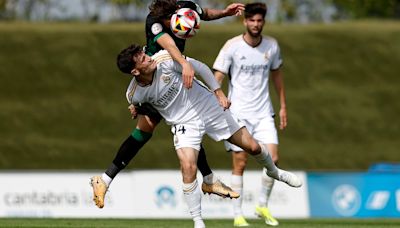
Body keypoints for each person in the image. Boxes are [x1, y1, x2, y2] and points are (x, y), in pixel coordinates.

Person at [116, 44, 302, 228]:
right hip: (184, 124)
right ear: (135, 71)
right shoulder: (133, 94)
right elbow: (139, 104)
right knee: (188, 166)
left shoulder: (165, 59)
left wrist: (219, 93)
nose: (148, 57)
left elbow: (202, 69)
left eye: (144, 54)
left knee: (252, 147)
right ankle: (198, 221)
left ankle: (274, 171)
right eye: (142, 59)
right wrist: (136, 109)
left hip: (209, 106)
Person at [90, 0, 245, 209]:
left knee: (174, 125)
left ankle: (105, 179)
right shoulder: (154, 20)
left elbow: (205, 13)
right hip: (157, 72)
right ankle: (209, 180)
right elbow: (168, 44)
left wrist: (225, 13)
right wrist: (184, 63)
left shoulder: (185, 7)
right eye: (170, 21)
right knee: (175, 124)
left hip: (171, 74)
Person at [213, 2, 289, 226]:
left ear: (263, 22)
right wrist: (214, 100)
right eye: (252, 20)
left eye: (259, 21)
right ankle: (237, 215)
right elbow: (217, 77)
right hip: (238, 115)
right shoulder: (232, 46)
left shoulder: (272, 46)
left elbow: (277, 76)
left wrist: (283, 105)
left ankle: (262, 206)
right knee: (240, 163)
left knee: (273, 160)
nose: (256, 24)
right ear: (245, 21)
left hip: (264, 113)